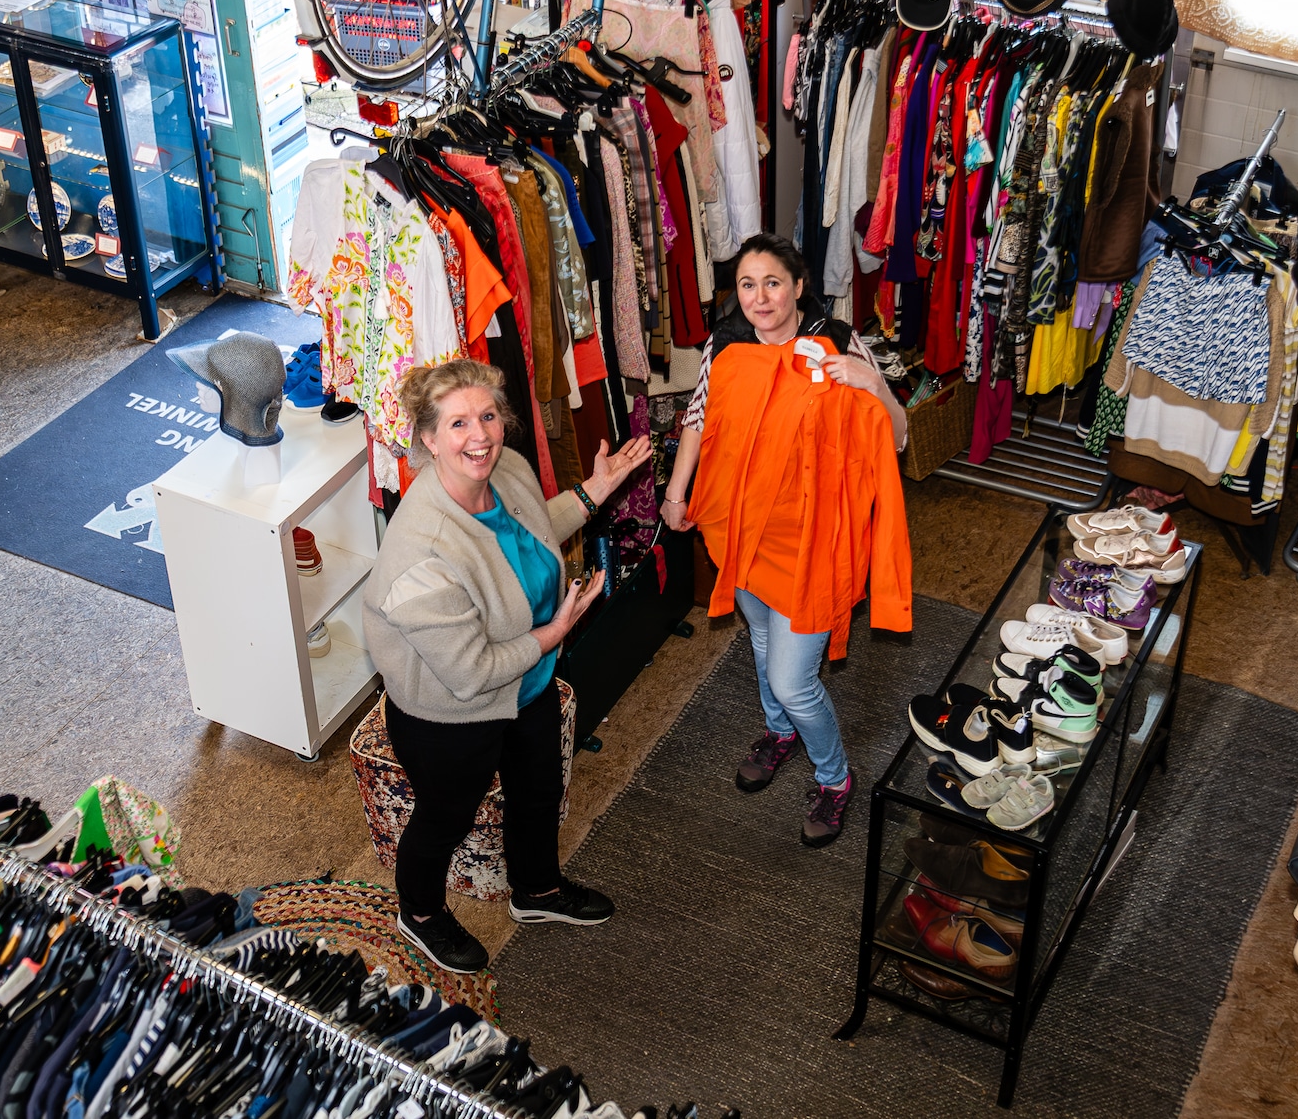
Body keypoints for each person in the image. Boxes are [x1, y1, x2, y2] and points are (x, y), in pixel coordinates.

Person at [362, 358, 654, 973]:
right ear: (428, 439)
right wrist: (554, 633)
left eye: (489, 416)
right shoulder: (419, 552)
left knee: (538, 789)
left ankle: (537, 892)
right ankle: (416, 912)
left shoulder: (507, 469)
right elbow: (469, 672)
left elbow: (526, 530)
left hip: (528, 681)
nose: (481, 435)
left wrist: (591, 493)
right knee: (446, 816)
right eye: (460, 423)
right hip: (450, 712)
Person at [662, 233, 911, 847]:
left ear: (799, 285)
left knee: (793, 678)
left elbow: (899, 436)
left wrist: (868, 381)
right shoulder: (726, 344)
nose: (760, 297)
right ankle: (780, 734)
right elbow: (698, 421)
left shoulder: (838, 339)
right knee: (764, 638)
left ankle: (835, 778)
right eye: (747, 285)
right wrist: (676, 492)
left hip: (815, 538)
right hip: (742, 529)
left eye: (772, 282)